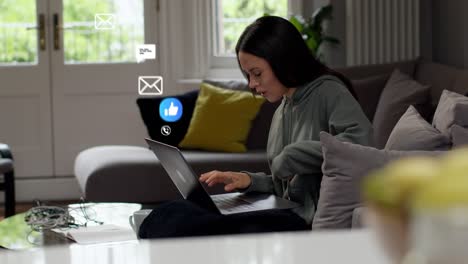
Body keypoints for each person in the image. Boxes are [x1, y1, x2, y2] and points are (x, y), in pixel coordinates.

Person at [138, 16, 372, 239]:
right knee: (172, 211)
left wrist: (294, 154)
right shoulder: (282, 109)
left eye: (257, 73)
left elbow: (362, 145)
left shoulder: (329, 91)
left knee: (186, 225)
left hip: (303, 221)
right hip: (286, 210)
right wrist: (249, 181)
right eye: (248, 75)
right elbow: (287, 185)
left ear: (283, 61)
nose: (251, 84)